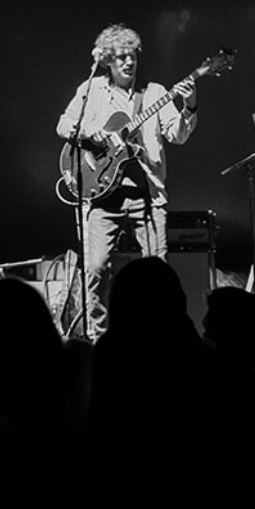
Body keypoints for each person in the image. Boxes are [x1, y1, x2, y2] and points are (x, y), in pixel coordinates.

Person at [55, 23, 197, 338]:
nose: (129, 62)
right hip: (102, 194)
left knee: (158, 271)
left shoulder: (155, 93)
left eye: (133, 55)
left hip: (147, 194)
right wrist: (91, 132)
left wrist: (189, 106)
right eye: (121, 57)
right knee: (95, 268)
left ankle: (159, 337)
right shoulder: (91, 90)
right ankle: (98, 338)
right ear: (107, 60)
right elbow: (63, 125)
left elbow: (177, 135)